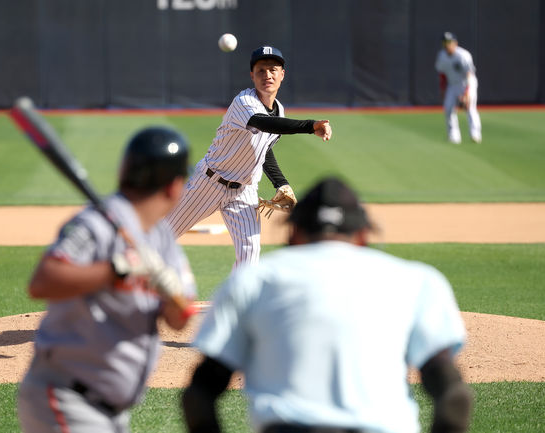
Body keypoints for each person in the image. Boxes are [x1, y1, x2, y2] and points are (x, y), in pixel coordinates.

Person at [182, 176, 473, 433]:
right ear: (362, 236)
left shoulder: (254, 281)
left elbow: (199, 395)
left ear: (293, 234)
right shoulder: (417, 280)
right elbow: (454, 397)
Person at [17, 126, 197, 433]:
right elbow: (43, 281)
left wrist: (170, 293)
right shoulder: (96, 225)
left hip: (112, 413)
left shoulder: (163, 237)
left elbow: (180, 319)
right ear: (174, 186)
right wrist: (118, 268)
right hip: (66, 398)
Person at [165, 45, 333, 268]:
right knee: (162, 237)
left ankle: (239, 302)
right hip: (208, 183)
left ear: (282, 75)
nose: (268, 75)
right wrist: (310, 126)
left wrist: (281, 183)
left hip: (244, 192)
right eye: (261, 70)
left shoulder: (279, 109)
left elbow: (265, 148)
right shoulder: (244, 102)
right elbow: (263, 123)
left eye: (273, 69)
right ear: (252, 75)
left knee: (249, 257)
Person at [435, 31, 482, 144]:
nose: (447, 45)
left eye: (449, 42)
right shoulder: (442, 56)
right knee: (448, 108)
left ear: (455, 43)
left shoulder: (463, 55)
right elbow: (442, 74)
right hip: (452, 85)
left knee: (469, 108)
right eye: (445, 42)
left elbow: (469, 74)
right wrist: (442, 89)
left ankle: (475, 134)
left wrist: (466, 92)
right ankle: (454, 136)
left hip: (467, 83)